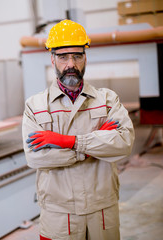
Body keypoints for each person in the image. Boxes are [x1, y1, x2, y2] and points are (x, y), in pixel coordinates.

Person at [22, 19, 135, 240]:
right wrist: (95, 144)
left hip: (102, 209)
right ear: (52, 58)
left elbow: (124, 144)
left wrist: (67, 141)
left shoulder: (108, 100)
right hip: (58, 212)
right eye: (63, 57)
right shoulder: (35, 106)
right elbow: (36, 158)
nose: (70, 64)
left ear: (86, 57)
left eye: (77, 56)